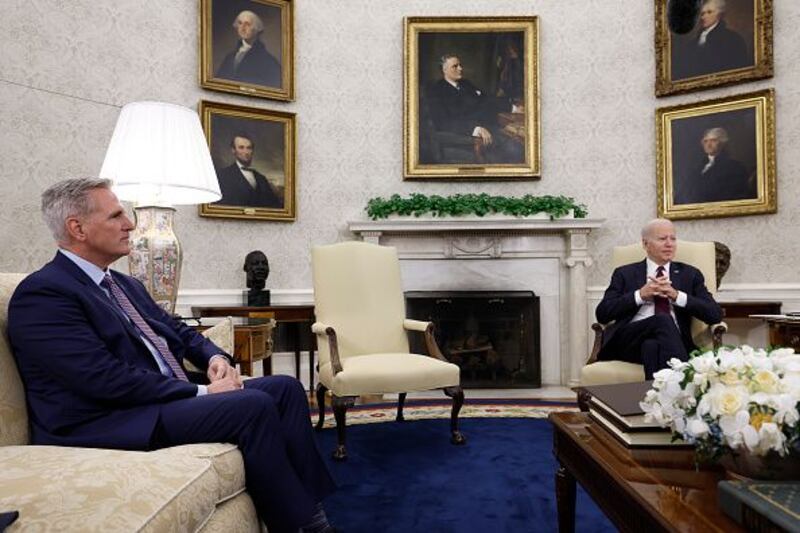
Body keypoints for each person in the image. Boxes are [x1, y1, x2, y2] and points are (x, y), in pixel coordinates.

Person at [7, 178, 335, 533]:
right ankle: (298, 527)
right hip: (103, 419)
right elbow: (102, 378)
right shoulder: (44, 293)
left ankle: (313, 519)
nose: (129, 224)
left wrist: (215, 359)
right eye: (116, 216)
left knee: (285, 389)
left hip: (154, 400)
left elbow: (177, 330)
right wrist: (204, 392)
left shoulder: (123, 284)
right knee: (251, 406)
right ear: (78, 228)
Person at [595, 219, 722, 380]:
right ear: (645, 244)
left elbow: (714, 314)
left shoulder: (690, 274)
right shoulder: (624, 273)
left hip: (671, 341)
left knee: (651, 347)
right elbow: (603, 313)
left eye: (673, 239)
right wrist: (640, 295)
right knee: (662, 319)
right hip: (629, 340)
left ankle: (654, 395)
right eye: (662, 239)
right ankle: (684, 375)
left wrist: (677, 296)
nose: (669, 244)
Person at [424, 54, 523, 164]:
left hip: (488, 128)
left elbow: (486, 100)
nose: (460, 68)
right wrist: (475, 129)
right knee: (514, 150)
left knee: (518, 143)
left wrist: (513, 108)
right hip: (466, 136)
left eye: (460, 65)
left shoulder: (465, 84)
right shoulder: (436, 91)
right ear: (444, 70)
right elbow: (443, 122)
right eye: (455, 66)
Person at [674, 127, 755, 205]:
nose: (708, 145)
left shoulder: (735, 167)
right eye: (705, 141)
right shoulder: (696, 168)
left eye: (713, 140)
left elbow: (734, 195)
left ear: (723, 143)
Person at [672, 0, 750, 80]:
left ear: (719, 15)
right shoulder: (692, 44)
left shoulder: (733, 39)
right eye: (702, 13)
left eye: (709, 12)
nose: (703, 17)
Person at [216, 133, 283, 208]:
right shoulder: (223, 175)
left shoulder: (261, 179)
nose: (246, 152)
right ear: (233, 150)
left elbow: (274, 206)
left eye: (249, 148)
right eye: (241, 147)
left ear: (252, 150)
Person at [216, 10, 281, 88]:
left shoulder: (269, 61)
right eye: (240, 23)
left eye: (247, 24)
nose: (242, 28)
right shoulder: (229, 57)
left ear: (257, 29)